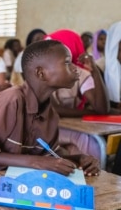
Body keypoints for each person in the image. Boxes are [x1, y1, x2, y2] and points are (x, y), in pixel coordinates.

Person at [0, 40, 100, 178]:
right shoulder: (11, 100)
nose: (76, 68)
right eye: (68, 63)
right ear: (41, 73)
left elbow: (49, 157)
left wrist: (78, 159)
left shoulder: (49, 113)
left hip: (14, 174)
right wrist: (36, 162)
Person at [45, 29, 109, 163]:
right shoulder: (41, 72)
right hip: (43, 129)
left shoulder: (80, 73)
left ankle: (90, 178)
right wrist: (89, 112)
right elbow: (53, 109)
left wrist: (95, 71)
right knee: (87, 140)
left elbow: (102, 108)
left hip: (66, 128)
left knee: (81, 150)